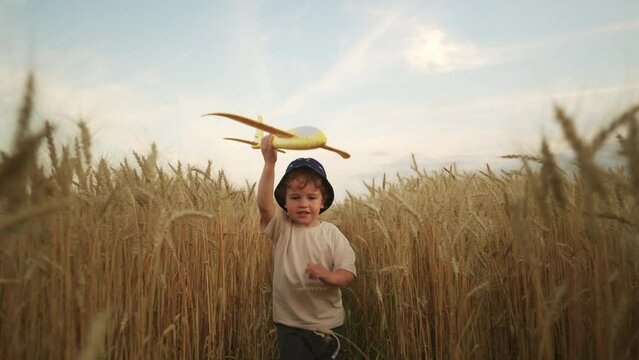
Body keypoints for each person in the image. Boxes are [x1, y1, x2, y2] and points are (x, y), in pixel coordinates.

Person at [257, 135, 357, 360]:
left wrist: (328, 276)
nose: (303, 203)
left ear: (323, 201)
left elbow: (347, 274)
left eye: (311, 197)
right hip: (290, 325)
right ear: (285, 202)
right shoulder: (283, 226)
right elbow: (264, 206)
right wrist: (269, 164)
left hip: (328, 325)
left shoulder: (332, 234)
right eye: (295, 197)